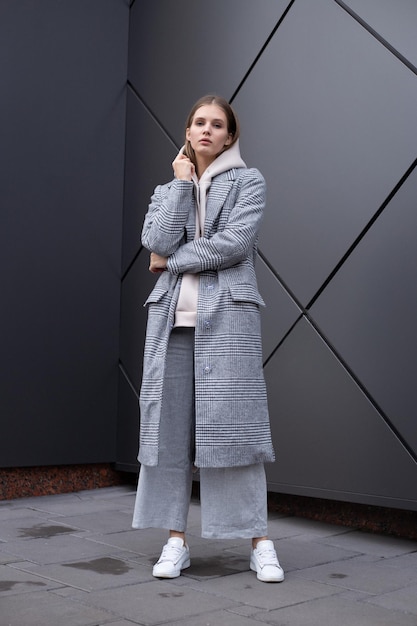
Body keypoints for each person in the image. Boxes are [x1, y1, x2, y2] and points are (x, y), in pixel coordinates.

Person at [132, 94, 284, 583]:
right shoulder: (167, 188)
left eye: (217, 124)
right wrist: (180, 187)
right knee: (168, 433)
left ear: (230, 136)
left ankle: (260, 541)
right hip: (171, 321)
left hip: (229, 318)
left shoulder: (249, 181)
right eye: (199, 122)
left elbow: (233, 245)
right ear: (187, 130)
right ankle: (175, 540)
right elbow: (154, 240)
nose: (206, 130)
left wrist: (171, 261)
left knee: (235, 430)